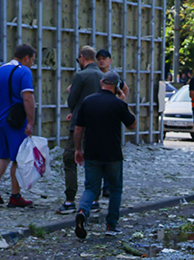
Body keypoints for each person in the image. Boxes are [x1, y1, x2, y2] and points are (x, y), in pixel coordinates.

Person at [74, 71, 137, 238]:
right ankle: (111, 225)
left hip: (92, 152)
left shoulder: (88, 101)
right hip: (113, 154)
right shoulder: (118, 104)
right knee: (115, 189)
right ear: (116, 87)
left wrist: (78, 149)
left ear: (101, 82)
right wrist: (124, 102)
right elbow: (133, 125)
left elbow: (78, 128)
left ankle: (82, 211)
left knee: (91, 188)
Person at [0, 44, 37, 207]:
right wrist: (31, 121)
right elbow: (28, 97)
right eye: (32, 60)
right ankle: (15, 196)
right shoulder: (24, 71)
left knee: (2, 154)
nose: (32, 64)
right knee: (18, 159)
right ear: (26, 58)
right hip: (15, 121)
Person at [59, 46, 104, 215]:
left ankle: (70, 200)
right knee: (94, 162)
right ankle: (94, 200)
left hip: (79, 124)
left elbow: (72, 99)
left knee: (70, 158)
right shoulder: (103, 76)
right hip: (98, 126)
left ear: (81, 58)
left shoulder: (80, 75)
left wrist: (74, 110)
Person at [95, 48, 130, 199]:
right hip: (96, 115)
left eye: (104, 58)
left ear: (110, 60)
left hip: (111, 117)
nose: (101, 61)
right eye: (99, 58)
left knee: (111, 153)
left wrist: (120, 104)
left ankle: (107, 187)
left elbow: (125, 89)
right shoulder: (94, 75)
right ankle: (100, 187)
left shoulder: (115, 77)